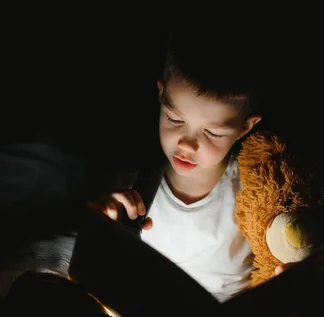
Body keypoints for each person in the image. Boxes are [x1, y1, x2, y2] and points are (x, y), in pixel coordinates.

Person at [90, 28, 292, 302]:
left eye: (212, 133)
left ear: (245, 127)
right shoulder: (130, 181)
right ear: (161, 96)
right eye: (175, 119)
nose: (187, 144)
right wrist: (101, 220)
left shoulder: (253, 190)